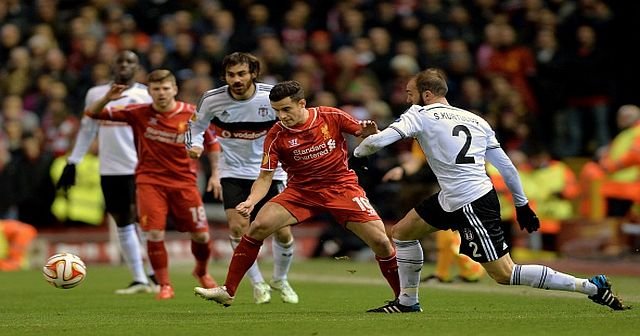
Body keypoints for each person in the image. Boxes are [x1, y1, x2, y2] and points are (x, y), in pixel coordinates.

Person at [354, 68, 629, 313]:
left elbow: (380, 141)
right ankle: (407, 301)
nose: (406, 99)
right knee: (402, 233)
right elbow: (507, 167)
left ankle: (591, 287)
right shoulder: (476, 120)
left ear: (426, 95)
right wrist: (522, 204)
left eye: (409, 93)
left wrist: (357, 153)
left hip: (471, 201)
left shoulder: (420, 114)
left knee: (505, 273)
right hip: (456, 196)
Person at [193, 80, 401, 310]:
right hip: (301, 191)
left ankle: (403, 298)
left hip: (340, 187)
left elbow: (367, 134)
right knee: (258, 226)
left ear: (302, 103)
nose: (281, 116)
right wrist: (251, 202)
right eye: (276, 111)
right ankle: (228, 291)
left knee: (382, 242)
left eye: (286, 109)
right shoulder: (276, 135)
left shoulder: (330, 115)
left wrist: (371, 133)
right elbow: (265, 177)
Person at [85, 69, 217, 300]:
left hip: (184, 183)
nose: (161, 93)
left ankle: (201, 271)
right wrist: (107, 98)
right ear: (149, 92)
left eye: (166, 88)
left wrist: (216, 174)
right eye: (156, 89)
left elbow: (213, 143)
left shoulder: (192, 114)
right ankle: (165, 285)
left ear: (174, 90)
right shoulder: (138, 113)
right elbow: (92, 113)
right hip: (150, 182)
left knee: (201, 237)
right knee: (154, 234)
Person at [186, 52, 298, 304]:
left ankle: (280, 278)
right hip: (233, 171)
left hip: (271, 171)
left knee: (282, 232)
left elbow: (296, 120)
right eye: (231, 74)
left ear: (253, 74)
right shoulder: (212, 99)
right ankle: (258, 284)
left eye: (241, 74)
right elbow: (194, 126)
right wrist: (194, 145)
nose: (236, 79)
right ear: (224, 76)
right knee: (238, 229)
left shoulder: (271, 97)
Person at [56, 50, 158, 294]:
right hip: (110, 168)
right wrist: (73, 161)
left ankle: (155, 274)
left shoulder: (146, 94)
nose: (124, 65)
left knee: (143, 219)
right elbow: (87, 128)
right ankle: (139, 279)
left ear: (138, 67)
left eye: (130, 61)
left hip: (140, 166)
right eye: (120, 61)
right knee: (122, 221)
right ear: (113, 65)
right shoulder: (96, 93)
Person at [384, 82, 484, 284]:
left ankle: (470, 269)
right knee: (445, 235)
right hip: (442, 187)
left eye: (411, 95)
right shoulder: (425, 130)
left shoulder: (440, 126)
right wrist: (401, 170)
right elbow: (415, 160)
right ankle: (449, 273)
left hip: (464, 186)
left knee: (450, 235)